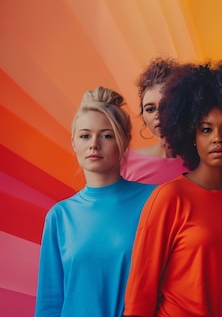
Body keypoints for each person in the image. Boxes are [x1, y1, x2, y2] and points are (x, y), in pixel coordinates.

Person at [123, 61, 222, 316]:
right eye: (206, 129)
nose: (217, 138)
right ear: (191, 135)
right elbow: (141, 290)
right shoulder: (169, 197)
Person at [35, 87, 156, 316]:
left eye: (106, 135)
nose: (94, 144)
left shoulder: (155, 201)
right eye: (85, 135)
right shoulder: (60, 216)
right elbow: (49, 301)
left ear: (124, 141)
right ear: (73, 142)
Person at [121, 56, 194, 184]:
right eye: (150, 109)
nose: (158, 115)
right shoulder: (124, 162)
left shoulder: (205, 162)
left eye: (166, 105)